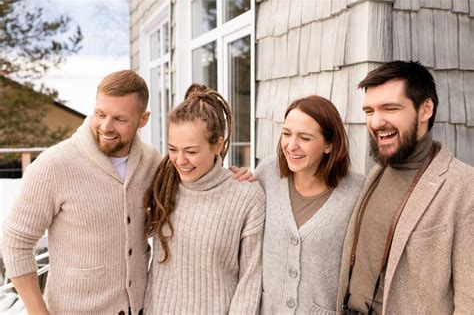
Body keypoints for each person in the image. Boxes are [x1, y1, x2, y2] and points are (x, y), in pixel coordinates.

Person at [1, 70, 160, 314]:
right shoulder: (54, 165)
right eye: (100, 114)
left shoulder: (152, 162)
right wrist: (38, 311)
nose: (106, 126)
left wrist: (233, 176)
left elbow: (187, 196)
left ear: (143, 119)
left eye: (120, 119)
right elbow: (15, 241)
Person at [338, 61, 474, 314]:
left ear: (425, 110)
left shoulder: (465, 187)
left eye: (390, 108)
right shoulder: (375, 174)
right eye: (369, 111)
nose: (376, 122)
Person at [143, 84, 265, 314]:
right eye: (172, 149)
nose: (180, 160)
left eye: (191, 151)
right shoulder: (162, 185)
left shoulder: (246, 197)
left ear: (218, 144)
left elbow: (251, 280)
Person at [254, 95, 365, 313]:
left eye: (304, 138)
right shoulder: (266, 174)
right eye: (286, 134)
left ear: (329, 145)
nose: (291, 146)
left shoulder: (356, 191)